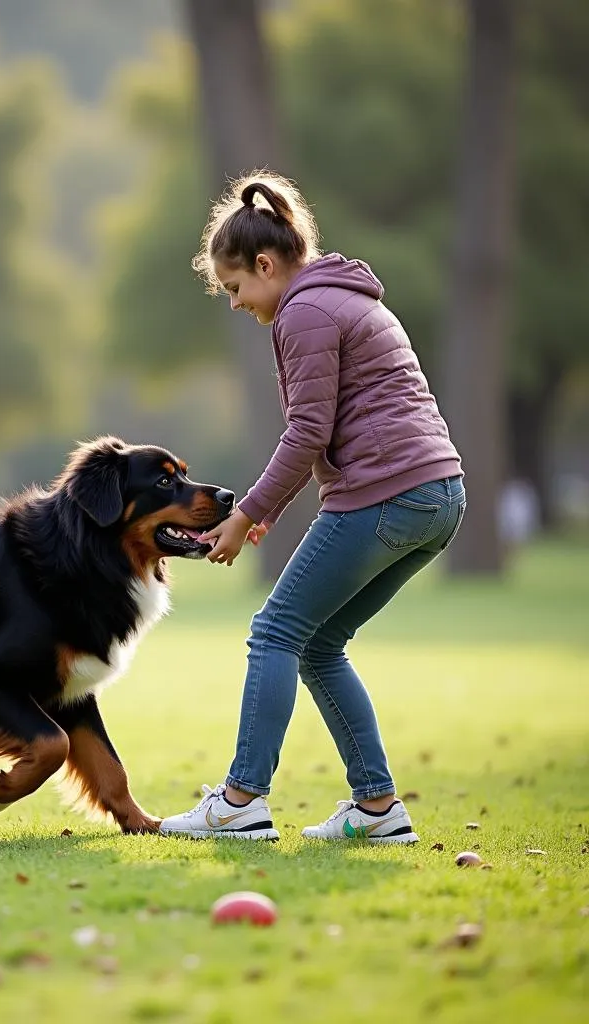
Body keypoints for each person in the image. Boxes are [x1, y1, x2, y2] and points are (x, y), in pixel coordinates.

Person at [160, 170, 464, 845]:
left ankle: (241, 800)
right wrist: (268, 509)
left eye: (236, 287)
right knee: (320, 644)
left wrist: (243, 515)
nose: (235, 303)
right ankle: (378, 808)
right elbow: (330, 428)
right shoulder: (340, 298)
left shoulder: (305, 310)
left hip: (388, 492)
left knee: (274, 632)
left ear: (266, 264)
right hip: (438, 495)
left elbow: (308, 432)